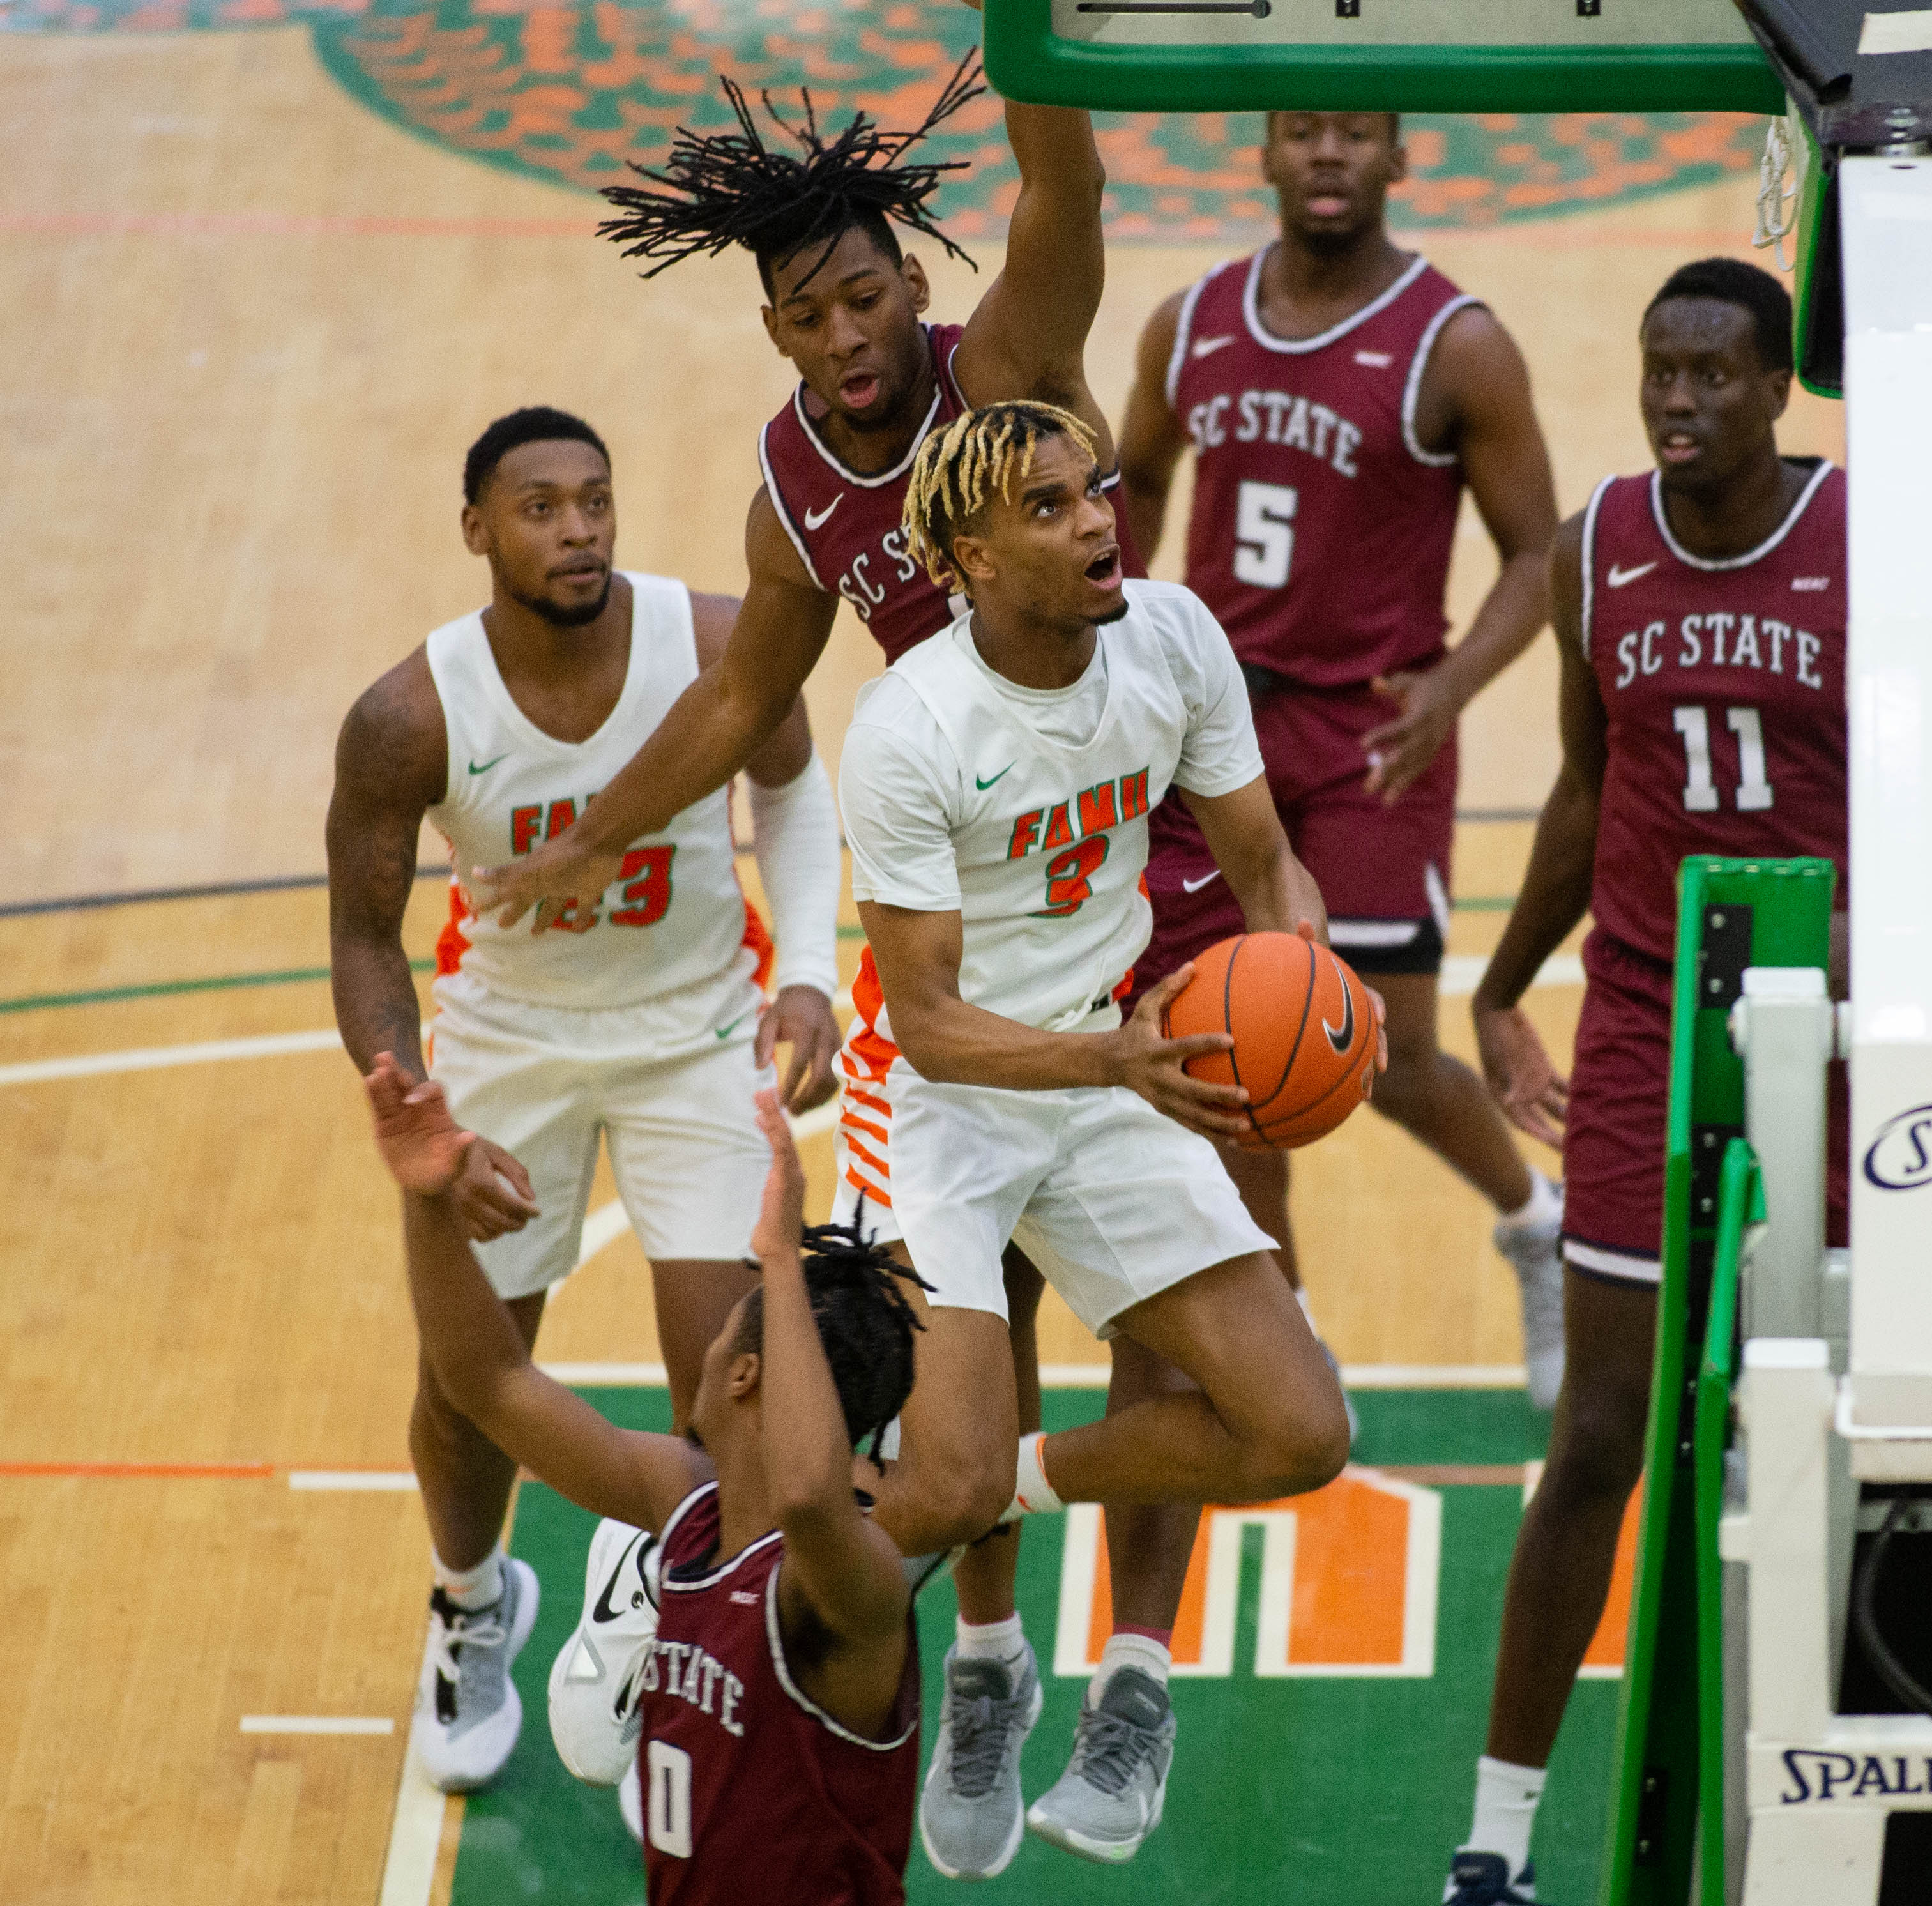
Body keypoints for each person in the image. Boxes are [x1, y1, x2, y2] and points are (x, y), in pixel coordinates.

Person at [448, 68, 1207, 1843]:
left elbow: (1062, 188)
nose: (844, 334)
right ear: (774, 331)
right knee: (971, 1314)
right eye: (806, 313)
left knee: (1165, 1311)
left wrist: (1040, 43)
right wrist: (589, 827)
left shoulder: (1003, 371)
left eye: (866, 295)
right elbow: (739, 694)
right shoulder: (793, 490)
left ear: (911, 289)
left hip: (1148, 859)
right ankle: (992, 1666)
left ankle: (1139, 1674)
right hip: (971, 906)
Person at [1447, 259, 1932, 1906]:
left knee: (1873, 1440)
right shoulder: (1597, 548)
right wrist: (1507, 984)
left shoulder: (1878, 546)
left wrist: (1902, 947)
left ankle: (1891, 1819)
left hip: (1844, 1060)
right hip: (1648, 1036)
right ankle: (1494, 1849)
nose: (1679, 400)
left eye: (1714, 375)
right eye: (1659, 370)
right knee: (1599, 1438)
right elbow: (1589, 793)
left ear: (1777, 390)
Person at [840, 397, 1357, 1866]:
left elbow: (1265, 865)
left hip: (1109, 1069)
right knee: (929, 1475)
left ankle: (1037, 1537)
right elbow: (929, 1019)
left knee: (1299, 1427)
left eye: (1098, 491)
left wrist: (1308, 1003)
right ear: (968, 556)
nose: (1098, 524)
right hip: (941, 1107)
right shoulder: (911, 729)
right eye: (1055, 510)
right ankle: (953, 1661)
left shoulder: (1173, 638)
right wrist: (1112, 1061)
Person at [324, 406, 841, 1793]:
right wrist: (412, 1094)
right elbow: (366, 936)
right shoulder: (409, 714)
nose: (578, 530)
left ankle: (673, 1637)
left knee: (731, 1384)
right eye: (542, 508)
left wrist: (810, 970)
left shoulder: (715, 639)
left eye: (596, 501)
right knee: (464, 1380)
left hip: (697, 1027)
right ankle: (471, 1595)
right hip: (509, 1041)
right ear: (478, 530)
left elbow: (792, 785)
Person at [1115, 109, 1569, 1412]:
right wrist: (1121, 631)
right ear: (1261, 152)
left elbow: (1538, 553)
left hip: (1373, 732)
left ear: (1399, 158)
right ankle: (1292, 1324)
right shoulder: (1190, 322)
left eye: (1354, 136)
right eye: (1304, 133)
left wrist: (1450, 684)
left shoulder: (1456, 343)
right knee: (1228, 1043)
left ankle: (1532, 1216)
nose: (1328, 155)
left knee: (1389, 1050)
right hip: (1213, 728)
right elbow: (1136, 478)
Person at [364, 1058, 927, 1904]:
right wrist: (426, 1200)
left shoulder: (855, 1581)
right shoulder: (689, 1506)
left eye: (732, 1332)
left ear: (742, 1375)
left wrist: (779, 1262)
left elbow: (808, 1493)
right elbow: (489, 1382)